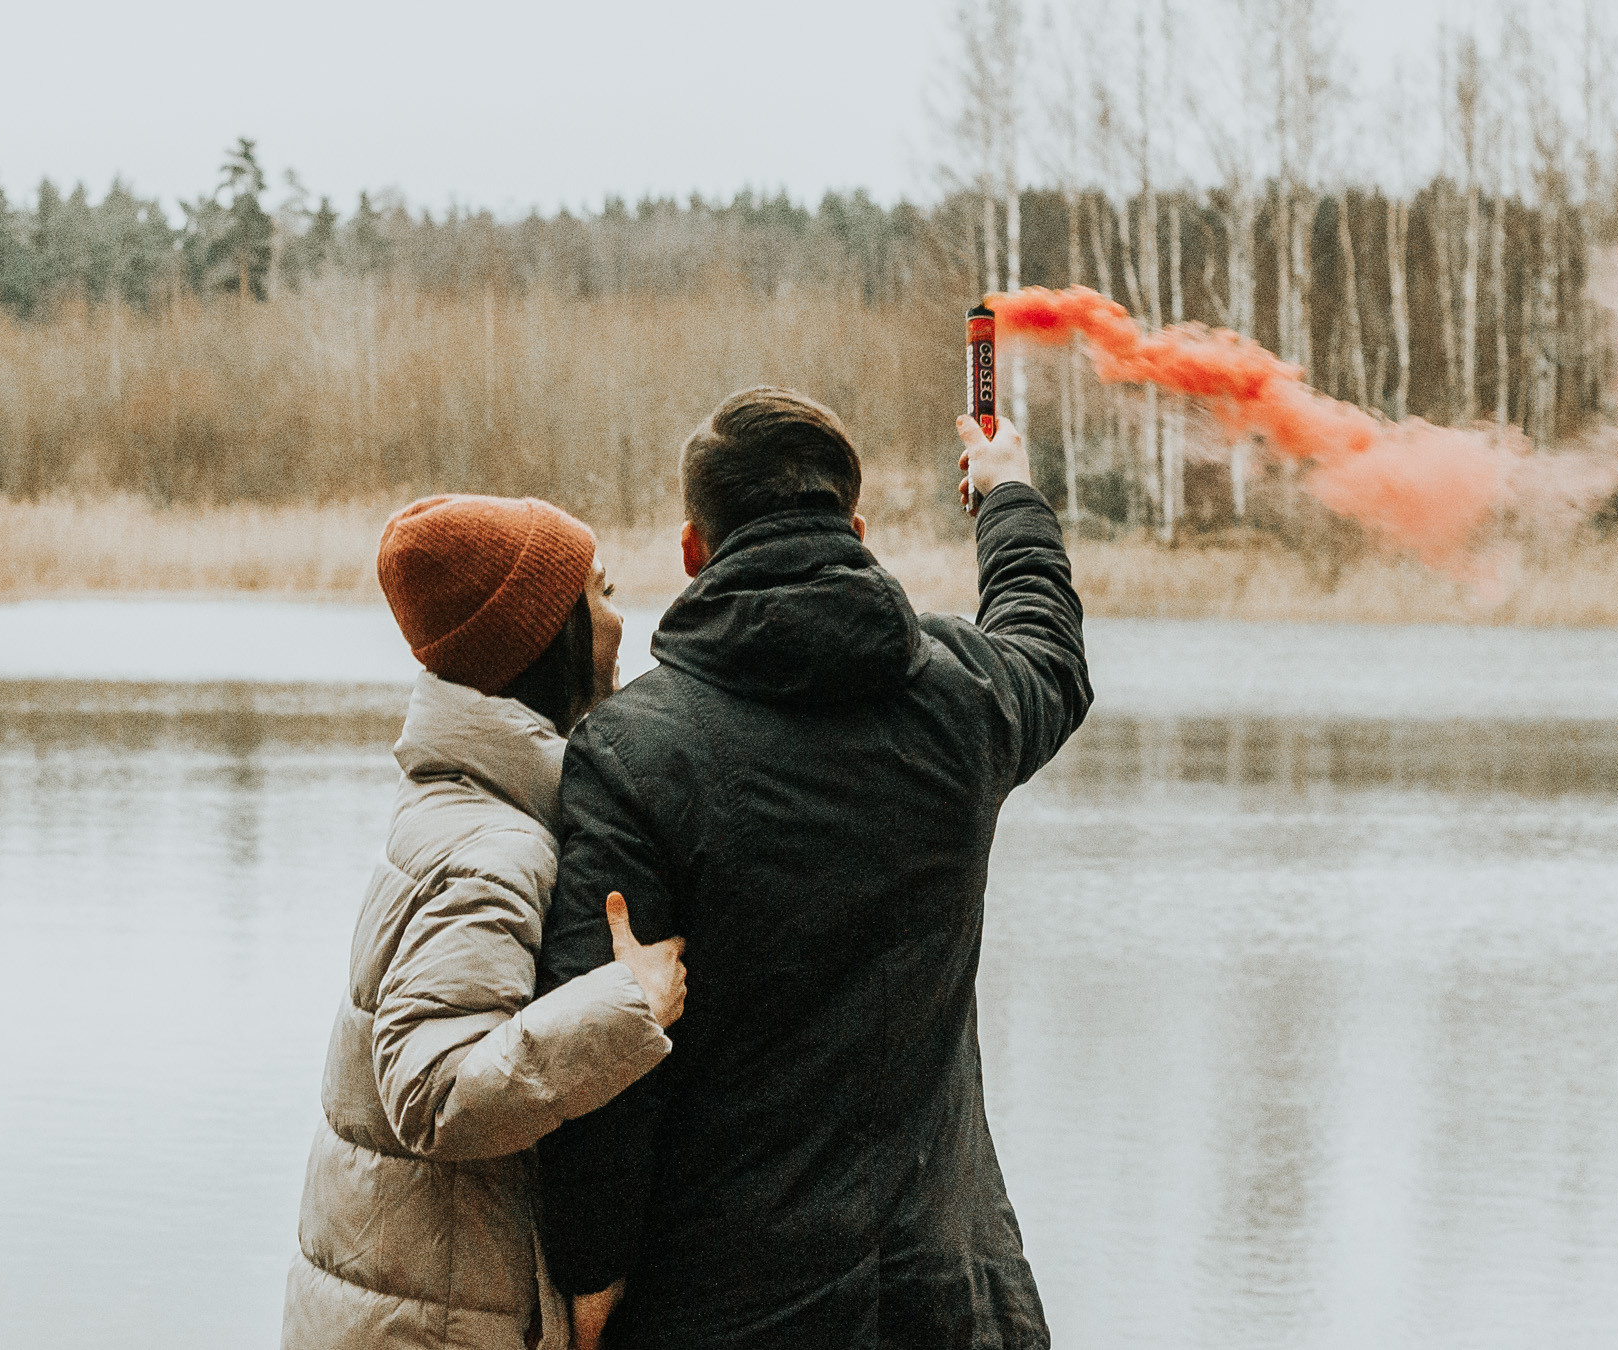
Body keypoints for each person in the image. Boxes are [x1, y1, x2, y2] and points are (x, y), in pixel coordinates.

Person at [535, 388, 1090, 1350]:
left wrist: (591, 1280)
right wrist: (1008, 494)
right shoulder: (963, 704)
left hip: (717, 1306)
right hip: (946, 1301)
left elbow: (607, 1062)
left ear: (692, 551)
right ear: (858, 530)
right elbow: (1047, 644)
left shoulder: (631, 753)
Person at [284, 494, 691, 1350]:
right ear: (548, 639)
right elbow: (432, 1096)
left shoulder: (468, 803)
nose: (621, 621)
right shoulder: (493, 848)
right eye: (602, 595)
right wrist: (626, 1005)